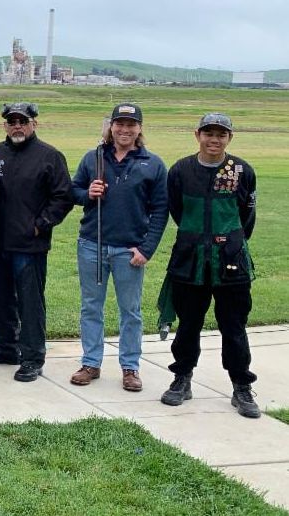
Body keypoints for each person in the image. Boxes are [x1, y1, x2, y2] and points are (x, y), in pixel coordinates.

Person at [159, 113, 261, 418]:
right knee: (188, 324)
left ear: (230, 138)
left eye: (221, 134)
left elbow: (247, 216)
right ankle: (182, 378)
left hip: (231, 261)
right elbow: (177, 210)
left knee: (234, 326)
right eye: (208, 133)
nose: (214, 140)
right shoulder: (180, 170)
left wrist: (229, 241)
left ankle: (241, 386)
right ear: (197, 135)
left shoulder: (242, 171)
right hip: (190, 260)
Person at [70, 103, 168, 393]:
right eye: (119, 124)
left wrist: (146, 249)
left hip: (130, 250)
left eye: (131, 124)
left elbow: (161, 210)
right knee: (91, 307)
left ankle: (130, 367)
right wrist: (88, 194)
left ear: (139, 128)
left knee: (130, 310)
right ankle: (91, 363)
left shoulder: (153, 164)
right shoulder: (93, 158)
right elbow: (73, 191)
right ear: (111, 127)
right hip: (92, 244)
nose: (125, 130)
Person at [0, 102, 73, 382]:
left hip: (30, 245)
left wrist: (41, 224)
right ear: (5, 125)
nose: (17, 126)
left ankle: (32, 357)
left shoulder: (50, 156)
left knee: (30, 304)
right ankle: (5, 347)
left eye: (23, 121)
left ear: (34, 124)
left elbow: (63, 197)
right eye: (12, 121)